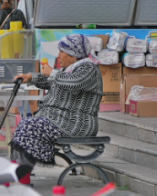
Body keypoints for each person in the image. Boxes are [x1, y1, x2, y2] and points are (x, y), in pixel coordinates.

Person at [11, 34, 102, 166]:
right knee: (25, 125)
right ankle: (17, 170)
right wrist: (30, 77)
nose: (58, 55)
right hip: (59, 120)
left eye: (62, 52)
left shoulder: (89, 68)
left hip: (75, 124)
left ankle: (21, 172)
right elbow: (51, 81)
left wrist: (52, 72)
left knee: (29, 127)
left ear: (74, 55)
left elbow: (73, 83)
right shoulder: (69, 69)